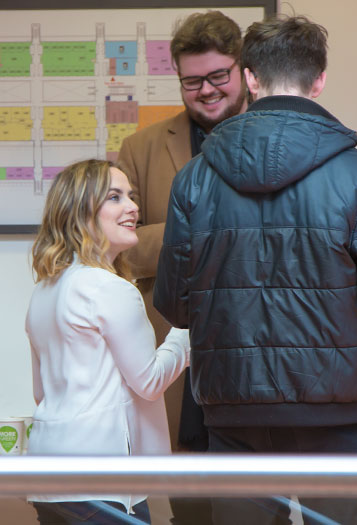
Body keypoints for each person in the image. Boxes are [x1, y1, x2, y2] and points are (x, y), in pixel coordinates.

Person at [154, 15, 357, 525]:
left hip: (234, 402)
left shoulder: (195, 177)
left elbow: (177, 306)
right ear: (320, 80)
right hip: (337, 403)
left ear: (250, 78)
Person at [116, 11, 247, 523]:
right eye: (192, 81)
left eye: (219, 76)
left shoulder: (280, 138)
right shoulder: (141, 148)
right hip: (177, 353)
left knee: (259, 508)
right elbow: (116, 247)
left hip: (258, 353)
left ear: (244, 70)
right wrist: (198, 233)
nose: (207, 90)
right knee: (189, 508)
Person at [25, 159, 189, 524]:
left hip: (46, 473)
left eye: (130, 196)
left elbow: (41, 393)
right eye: (114, 197)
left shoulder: (44, 291)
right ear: (80, 213)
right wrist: (185, 334)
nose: (132, 207)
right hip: (101, 479)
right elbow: (149, 382)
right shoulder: (109, 288)